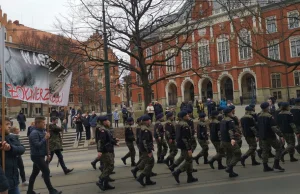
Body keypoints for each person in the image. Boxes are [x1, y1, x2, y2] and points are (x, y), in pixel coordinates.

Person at [27, 116, 62, 194]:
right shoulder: (34, 133)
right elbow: (37, 145)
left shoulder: (42, 131)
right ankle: (51, 190)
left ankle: (29, 191)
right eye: (43, 123)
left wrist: (48, 153)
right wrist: (45, 138)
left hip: (41, 155)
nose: (45, 124)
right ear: (37, 123)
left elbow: (45, 144)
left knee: (34, 173)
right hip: (36, 156)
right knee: (46, 171)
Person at [0, 117, 25, 194]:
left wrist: (10, 148)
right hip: (3, 183)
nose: (10, 126)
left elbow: (22, 149)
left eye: (10, 124)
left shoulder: (13, 137)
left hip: (13, 180)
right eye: (7, 124)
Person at [172, 111, 198, 184]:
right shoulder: (185, 125)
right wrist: (189, 148)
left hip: (181, 145)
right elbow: (185, 138)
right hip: (185, 146)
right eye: (186, 115)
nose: (188, 116)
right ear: (183, 117)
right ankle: (177, 172)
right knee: (189, 160)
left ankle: (190, 177)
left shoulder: (179, 124)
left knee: (189, 160)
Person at [257, 102, 285, 172]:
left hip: (263, 136)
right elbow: (274, 127)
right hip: (270, 136)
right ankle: (276, 164)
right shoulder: (269, 116)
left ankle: (265, 166)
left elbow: (258, 126)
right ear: (267, 108)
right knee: (279, 148)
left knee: (265, 151)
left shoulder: (259, 115)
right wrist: (280, 135)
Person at [96, 116, 119, 191]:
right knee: (110, 166)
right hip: (105, 150)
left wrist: (115, 142)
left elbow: (109, 139)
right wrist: (99, 151)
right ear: (103, 122)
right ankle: (100, 180)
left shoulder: (105, 129)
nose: (107, 121)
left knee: (106, 166)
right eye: (106, 120)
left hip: (108, 149)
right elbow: (101, 141)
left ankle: (105, 184)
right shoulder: (102, 130)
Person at [133, 115, 156, 186]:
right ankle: (141, 177)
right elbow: (145, 141)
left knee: (148, 163)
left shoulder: (143, 128)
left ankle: (148, 180)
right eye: (149, 120)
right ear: (146, 121)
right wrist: (149, 151)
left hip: (145, 149)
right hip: (146, 150)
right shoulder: (145, 129)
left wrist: (151, 146)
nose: (150, 121)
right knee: (150, 163)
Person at [220, 107, 242, 178]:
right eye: (231, 112)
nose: (232, 113)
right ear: (229, 113)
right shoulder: (230, 121)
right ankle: (229, 167)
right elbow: (230, 130)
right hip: (229, 141)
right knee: (238, 153)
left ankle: (231, 172)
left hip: (224, 141)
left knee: (229, 155)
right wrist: (232, 138)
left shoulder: (223, 120)